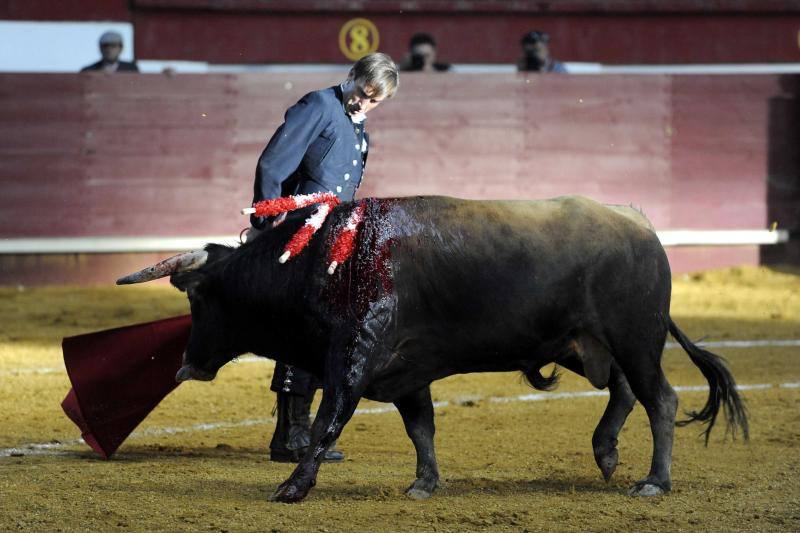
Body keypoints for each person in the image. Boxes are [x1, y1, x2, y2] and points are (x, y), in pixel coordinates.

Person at [247, 52, 399, 463]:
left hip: (332, 239)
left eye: (374, 102)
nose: (363, 105)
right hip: (301, 235)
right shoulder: (319, 105)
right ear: (351, 76)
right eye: (362, 94)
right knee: (303, 329)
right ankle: (291, 434)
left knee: (319, 330)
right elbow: (274, 162)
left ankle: (295, 432)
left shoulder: (359, 127)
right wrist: (266, 219)